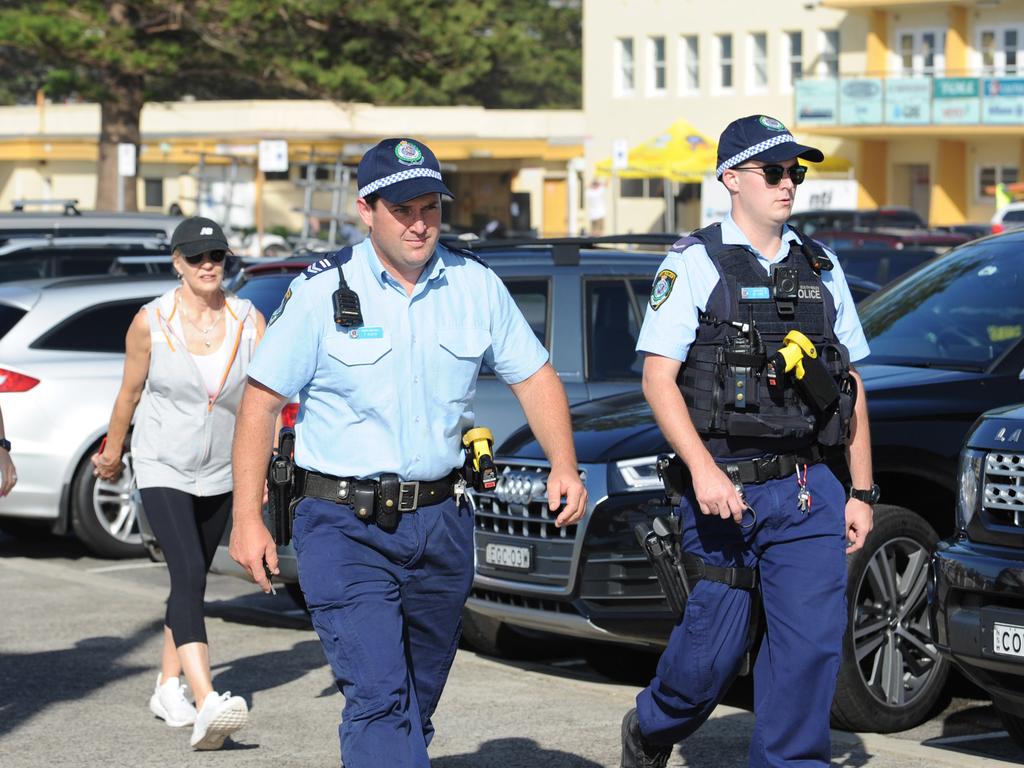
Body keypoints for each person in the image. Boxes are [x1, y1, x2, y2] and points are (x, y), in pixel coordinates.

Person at [229, 137, 587, 768]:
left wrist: (563, 463)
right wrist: (247, 517)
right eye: (403, 209)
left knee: (415, 702)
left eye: (430, 206)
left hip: (441, 522)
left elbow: (534, 375)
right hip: (342, 525)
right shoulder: (320, 291)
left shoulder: (473, 283)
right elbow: (259, 403)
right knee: (377, 696)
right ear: (366, 211)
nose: (420, 222)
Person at [620, 115, 876, 768]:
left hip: (807, 489)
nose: (789, 183)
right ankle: (653, 725)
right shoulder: (694, 263)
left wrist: (862, 491)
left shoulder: (821, 264)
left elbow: (850, 385)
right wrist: (702, 472)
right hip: (722, 485)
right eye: (774, 171)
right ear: (732, 178)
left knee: (811, 650)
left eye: (797, 171)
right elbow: (658, 379)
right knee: (712, 652)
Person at [92, 216, 265, 751]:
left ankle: (168, 685)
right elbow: (129, 393)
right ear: (177, 263)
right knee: (187, 569)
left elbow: (268, 397)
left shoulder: (247, 319)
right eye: (197, 258)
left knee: (192, 583)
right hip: (162, 462)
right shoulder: (151, 321)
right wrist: (112, 450)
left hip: (222, 469)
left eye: (217, 256)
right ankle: (206, 698)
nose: (209, 266)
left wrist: (260, 469)